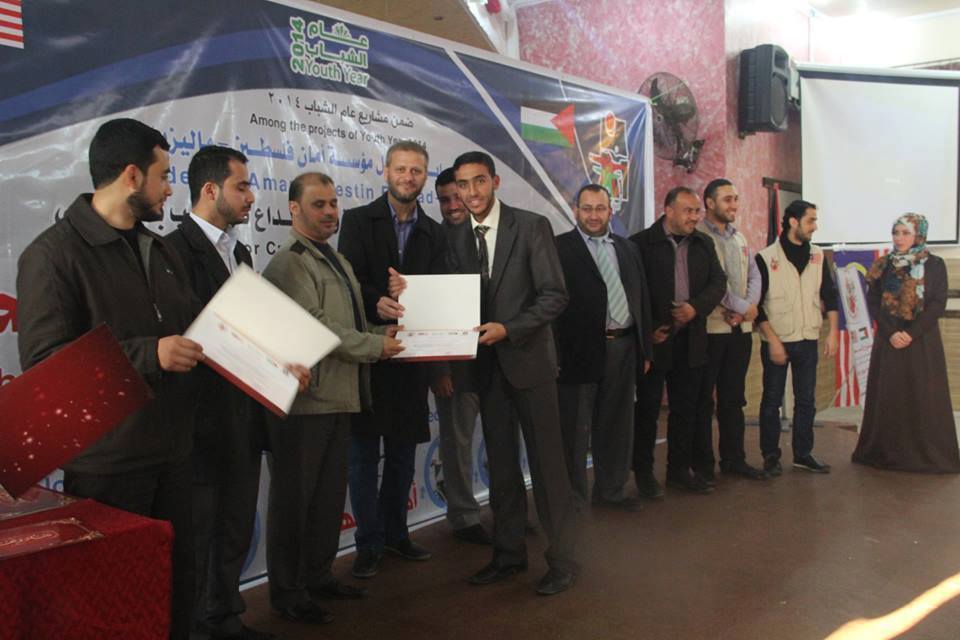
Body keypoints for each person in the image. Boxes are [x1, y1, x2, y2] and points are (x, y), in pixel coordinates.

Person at [16, 117, 203, 640]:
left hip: (174, 452)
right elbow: (46, 364)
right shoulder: (52, 256)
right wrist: (151, 354)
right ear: (131, 175)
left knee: (177, 595)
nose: (170, 189)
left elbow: (192, 329)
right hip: (110, 465)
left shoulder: (161, 249)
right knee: (114, 607)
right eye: (164, 176)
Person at [261, 172, 403, 625]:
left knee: (325, 502)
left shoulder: (336, 258)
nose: (330, 212)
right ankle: (288, 592)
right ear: (294, 209)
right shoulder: (290, 263)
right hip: (305, 405)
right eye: (318, 204)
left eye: (333, 203)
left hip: (340, 397)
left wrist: (384, 332)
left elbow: (352, 325)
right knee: (295, 502)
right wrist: (375, 346)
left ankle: (318, 577)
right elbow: (317, 328)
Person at [438, 150, 579, 595]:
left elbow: (555, 295)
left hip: (530, 365)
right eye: (463, 184)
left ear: (495, 182)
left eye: (479, 181)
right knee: (500, 469)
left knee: (548, 468)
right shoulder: (455, 237)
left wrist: (510, 329)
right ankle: (508, 555)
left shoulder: (531, 226)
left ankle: (563, 560)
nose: (471, 192)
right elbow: (452, 300)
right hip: (486, 371)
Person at [164, 145, 274, 640]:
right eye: (242, 186)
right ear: (211, 190)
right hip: (200, 424)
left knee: (235, 527)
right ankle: (196, 628)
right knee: (199, 536)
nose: (251, 197)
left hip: (245, 418)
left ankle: (226, 617)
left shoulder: (241, 252)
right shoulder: (171, 251)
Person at [338, 141, 447, 579]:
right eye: (400, 169)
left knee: (402, 455)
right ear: (385, 171)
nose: (408, 177)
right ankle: (368, 544)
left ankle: (396, 534)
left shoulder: (435, 232)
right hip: (367, 356)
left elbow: (438, 293)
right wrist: (377, 300)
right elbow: (347, 282)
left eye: (416, 170)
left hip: (411, 359)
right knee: (363, 458)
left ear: (425, 176)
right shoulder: (356, 221)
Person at [554, 184, 652, 510]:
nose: (594, 215)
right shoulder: (558, 248)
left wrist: (645, 349)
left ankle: (612, 491)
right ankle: (572, 499)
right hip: (577, 352)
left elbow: (641, 298)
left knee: (617, 425)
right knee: (575, 430)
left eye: (600, 208)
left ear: (611, 211)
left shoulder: (628, 249)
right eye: (587, 208)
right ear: (575, 210)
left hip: (623, 347)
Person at [630, 187, 726, 496]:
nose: (694, 217)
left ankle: (678, 470)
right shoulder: (640, 244)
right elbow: (632, 293)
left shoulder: (703, 243)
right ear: (668, 210)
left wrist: (695, 308)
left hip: (691, 337)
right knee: (647, 410)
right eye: (688, 211)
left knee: (686, 408)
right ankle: (644, 473)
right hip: (656, 340)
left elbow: (718, 283)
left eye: (697, 211)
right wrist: (648, 330)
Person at [852, 213, 960, 473]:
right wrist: (891, 333)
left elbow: (937, 304)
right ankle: (889, 453)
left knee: (923, 395)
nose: (899, 238)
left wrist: (911, 334)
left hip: (922, 341)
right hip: (889, 341)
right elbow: (874, 302)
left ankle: (926, 455)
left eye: (905, 233)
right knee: (890, 395)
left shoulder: (935, 264)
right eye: (896, 232)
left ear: (919, 235)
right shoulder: (883, 265)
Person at [692, 179, 768, 482]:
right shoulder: (699, 237)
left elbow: (755, 275)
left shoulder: (740, 237)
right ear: (710, 203)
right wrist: (742, 307)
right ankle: (703, 466)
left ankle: (734, 459)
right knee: (703, 401)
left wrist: (749, 308)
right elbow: (713, 282)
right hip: (712, 331)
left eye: (735, 198)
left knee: (734, 399)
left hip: (740, 332)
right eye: (727, 199)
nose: (733, 204)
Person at [755, 199, 839, 476]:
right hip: (776, 340)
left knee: (806, 401)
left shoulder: (818, 256)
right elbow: (757, 307)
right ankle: (770, 456)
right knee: (771, 401)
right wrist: (773, 341)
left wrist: (832, 333)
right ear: (793, 221)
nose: (815, 226)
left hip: (807, 338)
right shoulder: (765, 258)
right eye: (810, 220)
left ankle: (803, 454)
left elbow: (830, 296)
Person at [431, 168, 491, 545]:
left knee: (501, 439)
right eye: (445, 199)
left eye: (458, 197)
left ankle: (509, 510)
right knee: (457, 444)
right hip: (454, 364)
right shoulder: (431, 241)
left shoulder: (489, 234)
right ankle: (464, 517)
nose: (453, 205)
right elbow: (428, 308)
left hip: (496, 358)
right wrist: (439, 368)